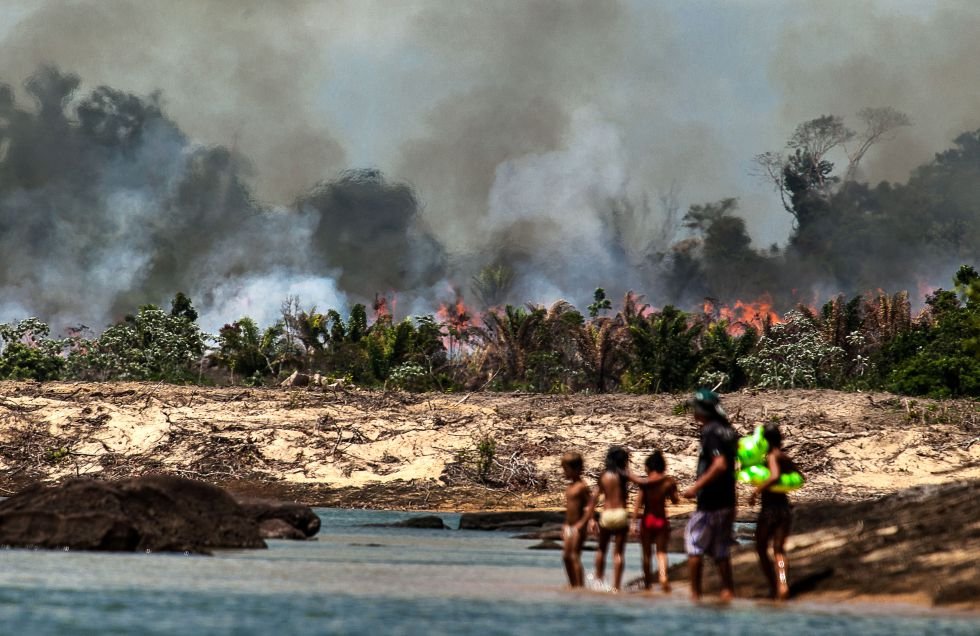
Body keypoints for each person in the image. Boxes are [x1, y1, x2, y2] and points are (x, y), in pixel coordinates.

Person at [681, 389, 738, 601]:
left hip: (710, 500)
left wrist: (695, 487)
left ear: (702, 410)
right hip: (728, 499)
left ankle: (695, 594)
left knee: (694, 543)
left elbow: (720, 464)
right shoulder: (727, 430)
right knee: (720, 547)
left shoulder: (711, 432)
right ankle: (727, 591)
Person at [748, 422, 796, 600]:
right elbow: (798, 476)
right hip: (785, 507)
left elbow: (774, 475)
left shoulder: (771, 457)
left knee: (761, 547)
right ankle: (783, 584)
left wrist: (756, 491)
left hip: (770, 509)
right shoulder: (784, 457)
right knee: (779, 550)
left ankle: (774, 586)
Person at [582, 445, 631, 592]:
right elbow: (640, 482)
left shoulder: (604, 476)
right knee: (618, 553)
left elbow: (593, 500)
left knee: (601, 550)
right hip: (621, 513)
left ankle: (598, 581)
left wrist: (591, 520)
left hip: (607, 514)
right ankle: (616, 587)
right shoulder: (624, 475)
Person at [631, 449, 679, 593]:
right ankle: (663, 578)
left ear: (648, 467)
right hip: (661, 520)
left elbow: (638, 504)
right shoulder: (668, 482)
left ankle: (647, 583)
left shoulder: (645, 483)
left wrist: (633, 523)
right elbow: (675, 501)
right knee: (661, 552)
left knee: (646, 553)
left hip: (647, 520)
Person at [560, 451, 591, 588]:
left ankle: (580, 585)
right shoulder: (569, 487)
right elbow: (569, 509)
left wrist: (585, 522)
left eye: (566, 469)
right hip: (569, 526)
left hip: (579, 526)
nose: (564, 472)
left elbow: (590, 506)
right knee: (566, 557)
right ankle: (572, 584)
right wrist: (565, 524)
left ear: (577, 469)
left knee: (574, 556)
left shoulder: (582, 486)